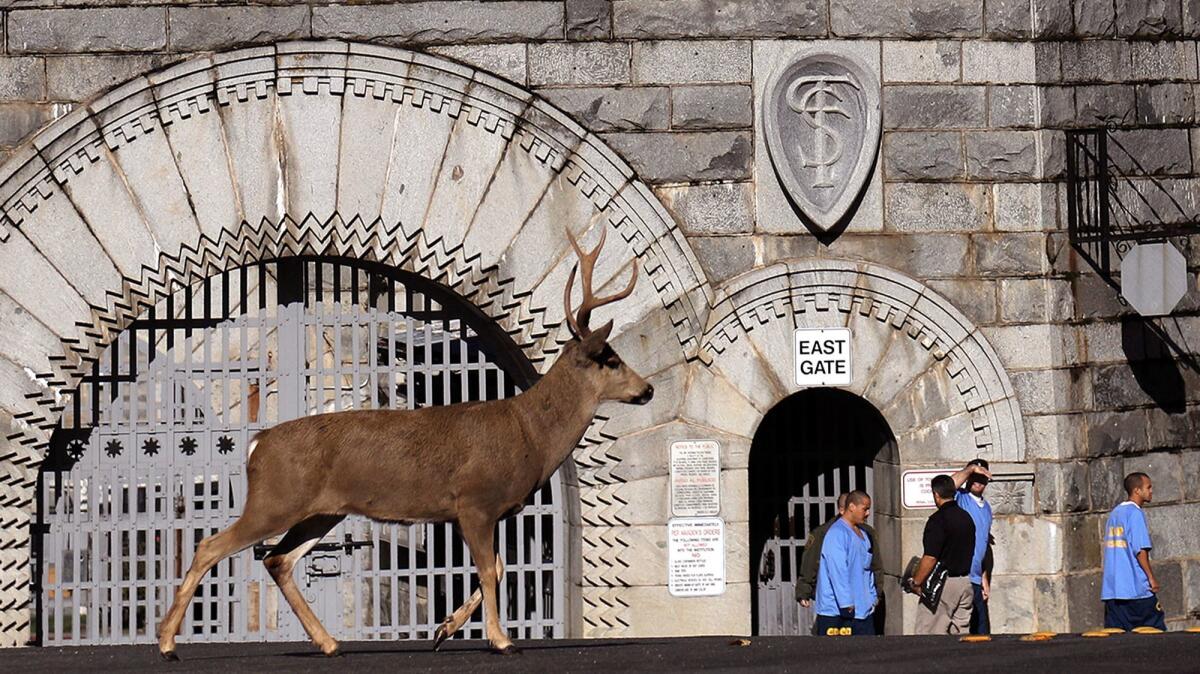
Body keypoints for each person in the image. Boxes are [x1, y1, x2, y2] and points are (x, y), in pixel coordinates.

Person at [796, 493, 886, 633]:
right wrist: (846, 601)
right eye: (865, 509)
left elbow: (871, 568)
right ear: (851, 507)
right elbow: (837, 571)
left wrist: (873, 596)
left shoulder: (865, 534)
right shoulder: (836, 533)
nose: (868, 513)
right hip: (838, 612)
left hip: (863, 610)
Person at [910, 474, 975, 634]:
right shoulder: (966, 517)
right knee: (960, 634)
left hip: (943, 583)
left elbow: (931, 557)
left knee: (929, 634)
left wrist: (917, 582)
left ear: (936, 495)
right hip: (966, 582)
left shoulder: (938, 520)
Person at [1101, 472, 1165, 631]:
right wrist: (1151, 578)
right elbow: (1140, 550)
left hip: (1113, 589)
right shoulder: (1135, 513)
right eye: (1148, 487)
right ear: (1137, 490)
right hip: (1136, 588)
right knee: (1155, 630)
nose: (1151, 491)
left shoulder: (1115, 513)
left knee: (1118, 637)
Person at [951, 459, 994, 634]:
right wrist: (970, 469)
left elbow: (983, 545)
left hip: (976, 578)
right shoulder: (960, 498)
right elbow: (947, 486)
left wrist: (985, 577)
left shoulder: (987, 508)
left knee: (981, 630)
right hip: (960, 576)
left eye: (981, 477)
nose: (978, 481)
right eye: (974, 477)